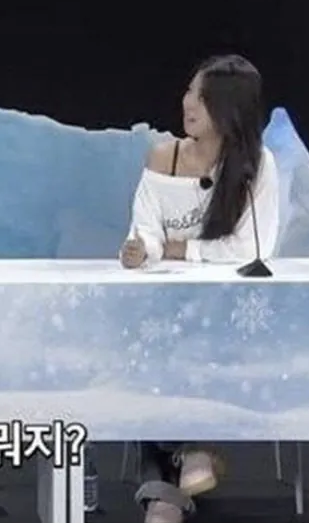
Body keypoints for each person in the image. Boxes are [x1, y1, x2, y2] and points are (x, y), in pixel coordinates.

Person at [119, 55, 280, 523]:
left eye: (201, 96)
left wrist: (179, 249)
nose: (187, 103)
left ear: (228, 108)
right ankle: (190, 454)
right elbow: (146, 233)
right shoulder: (162, 157)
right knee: (149, 350)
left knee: (181, 345)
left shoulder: (257, 166)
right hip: (161, 306)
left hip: (225, 310)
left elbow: (251, 249)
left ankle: (170, 485)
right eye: (189, 92)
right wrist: (140, 250)